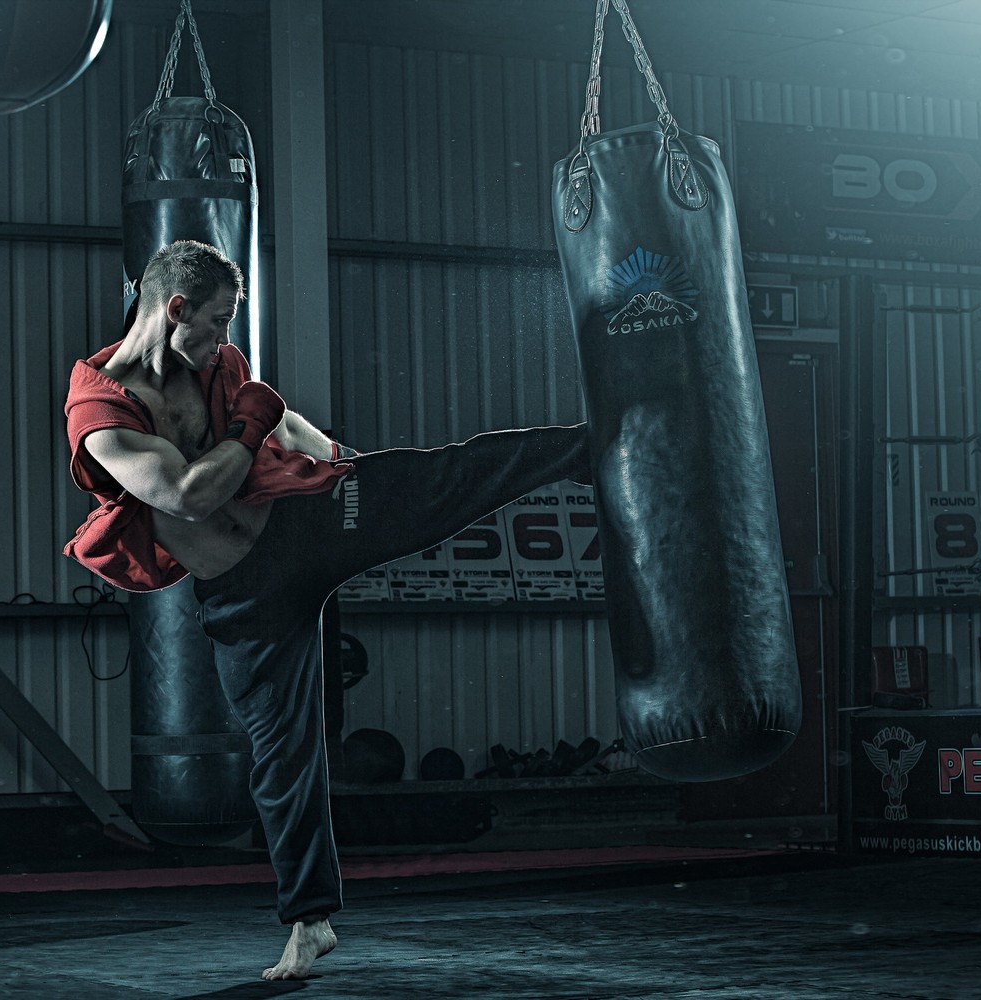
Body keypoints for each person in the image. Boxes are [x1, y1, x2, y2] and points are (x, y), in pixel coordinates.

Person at [63, 240, 588, 980]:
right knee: (283, 757)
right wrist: (251, 426)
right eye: (214, 323)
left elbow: (282, 423)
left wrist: (349, 463)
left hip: (308, 519)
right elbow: (186, 494)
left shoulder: (216, 364)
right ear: (174, 309)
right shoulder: (102, 406)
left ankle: (595, 450)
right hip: (247, 594)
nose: (223, 340)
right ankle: (311, 923)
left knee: (447, 474)